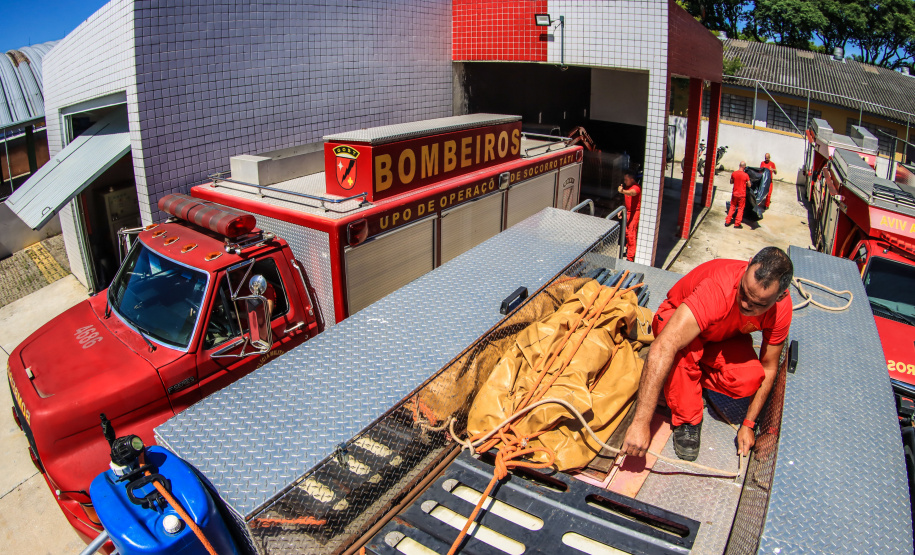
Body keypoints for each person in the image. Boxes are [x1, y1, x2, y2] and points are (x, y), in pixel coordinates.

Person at [621, 247, 793, 461]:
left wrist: (748, 423)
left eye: (759, 304)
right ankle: (687, 418)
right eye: (744, 292)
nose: (746, 304)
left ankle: (683, 379)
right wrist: (640, 423)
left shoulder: (782, 310)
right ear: (748, 264)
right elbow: (664, 346)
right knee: (681, 354)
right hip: (679, 319)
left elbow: (768, 367)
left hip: (721, 334)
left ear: (781, 296)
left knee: (748, 379)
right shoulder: (717, 288)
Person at [618, 171, 641, 262]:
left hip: (635, 213)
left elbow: (632, 193)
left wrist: (622, 191)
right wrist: (621, 210)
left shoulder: (636, 188)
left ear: (632, 179)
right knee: (627, 233)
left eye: (626, 180)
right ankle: (628, 251)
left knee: (631, 234)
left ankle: (630, 258)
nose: (624, 181)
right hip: (628, 212)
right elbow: (627, 200)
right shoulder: (627, 187)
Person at [725, 161, 749, 229]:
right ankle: (737, 224)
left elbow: (731, 182)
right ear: (744, 167)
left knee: (732, 207)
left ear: (739, 165)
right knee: (740, 209)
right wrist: (746, 183)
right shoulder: (746, 175)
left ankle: (727, 221)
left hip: (735, 194)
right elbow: (749, 184)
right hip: (742, 195)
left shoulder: (734, 173)